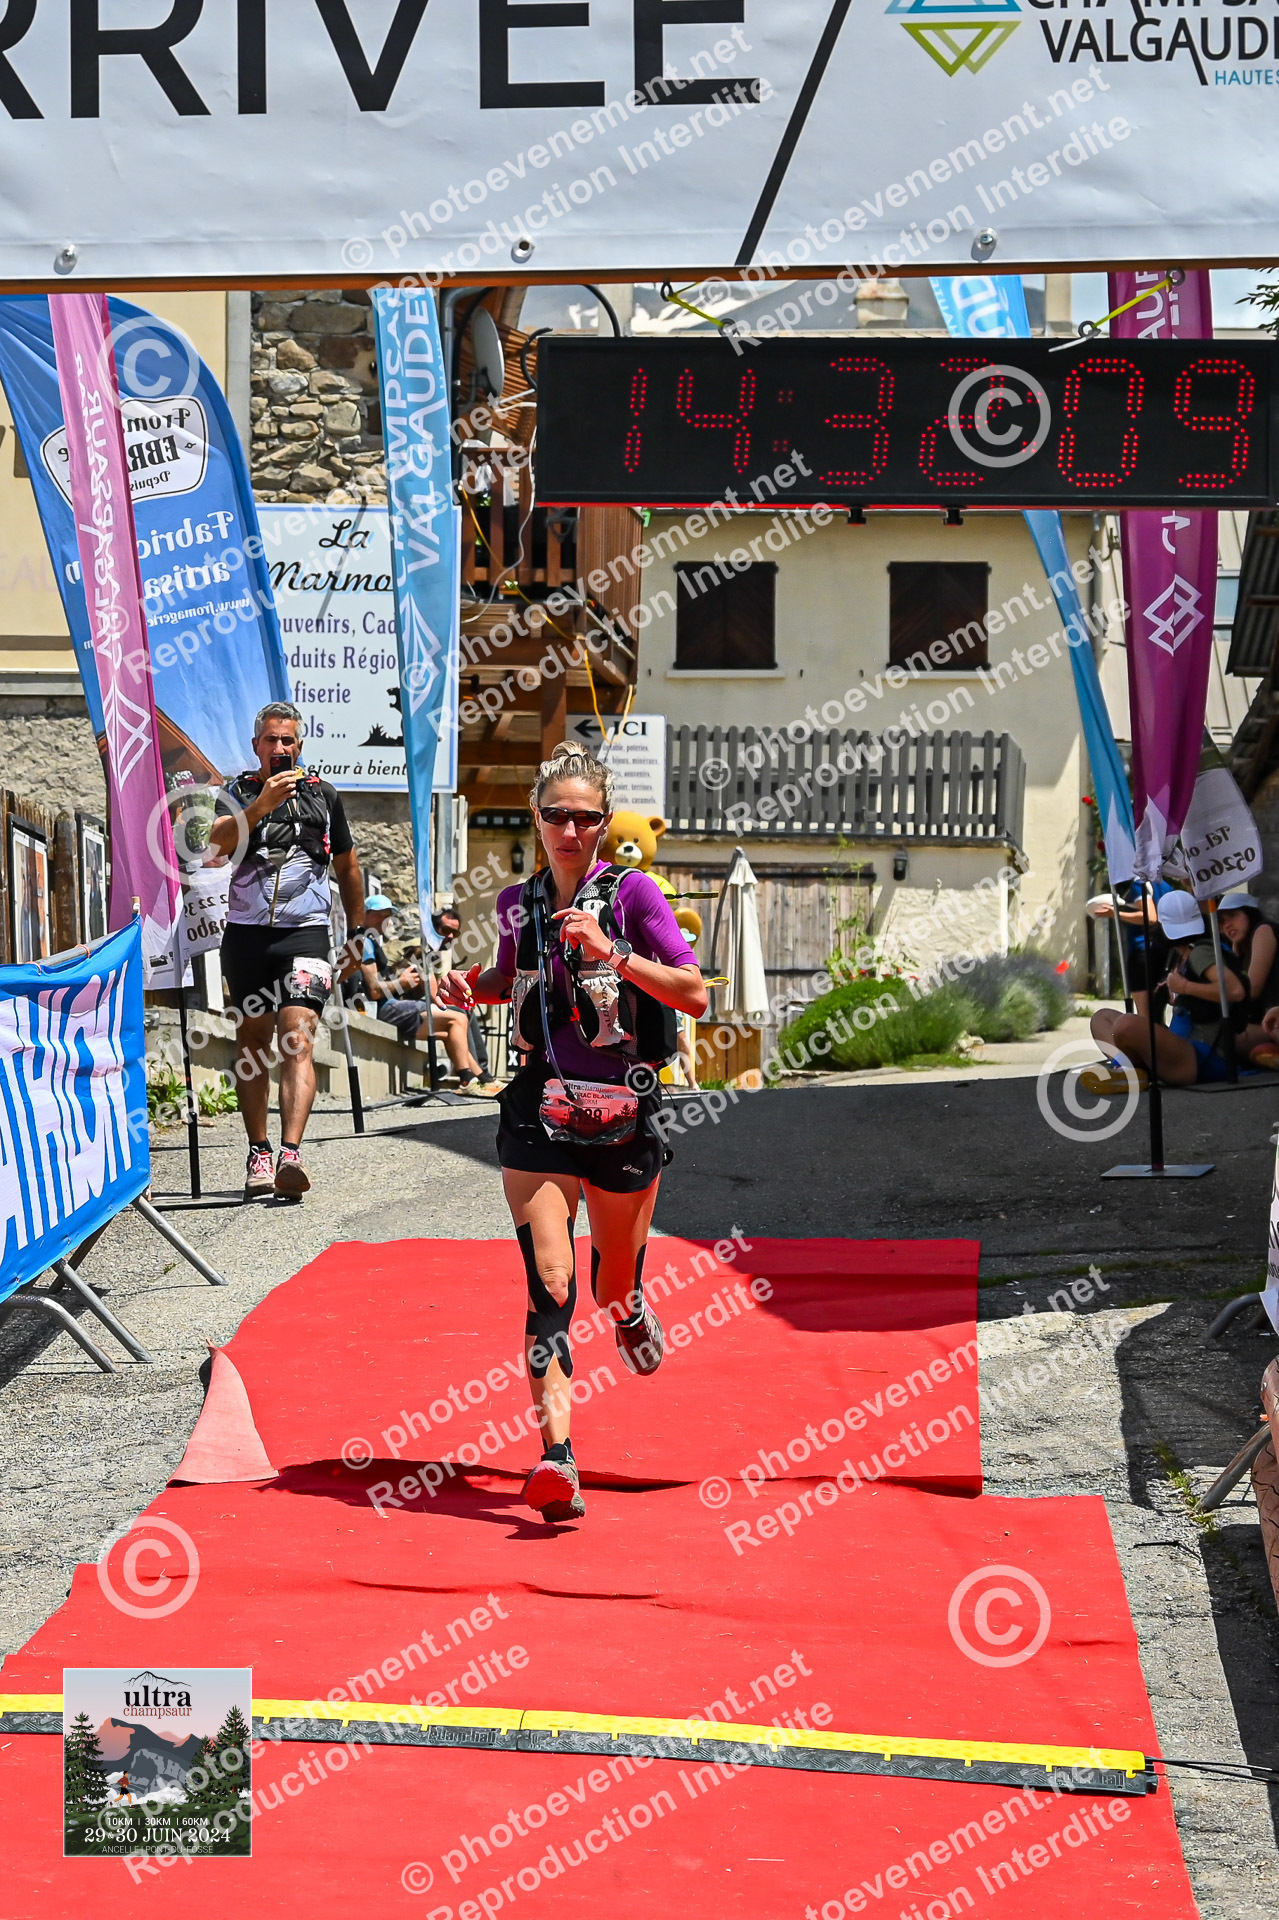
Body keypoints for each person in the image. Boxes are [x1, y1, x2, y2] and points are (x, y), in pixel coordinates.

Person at [438, 743, 708, 1525]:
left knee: (609, 1285)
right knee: (550, 1283)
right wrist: (471, 985)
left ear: (604, 822)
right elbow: (512, 976)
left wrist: (613, 952)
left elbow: (692, 994)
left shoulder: (634, 895)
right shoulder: (515, 903)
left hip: (622, 1108)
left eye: (586, 819)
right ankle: (556, 1457)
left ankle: (628, 1310)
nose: (570, 830)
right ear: (535, 817)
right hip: (538, 1109)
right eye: (556, 815)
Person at [211, 701, 365, 1200]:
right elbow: (214, 845)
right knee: (253, 1042)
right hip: (247, 936)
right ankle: (258, 1150)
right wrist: (260, 806)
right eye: (272, 740)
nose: (280, 747)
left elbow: (347, 867)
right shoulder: (235, 792)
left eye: (288, 740)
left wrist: (357, 933)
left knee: (297, 1036)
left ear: (300, 745)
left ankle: (291, 1153)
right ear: (256, 745)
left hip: (306, 934)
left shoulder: (324, 795)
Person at [1088, 890, 1246, 1087]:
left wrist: (1185, 987)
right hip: (1184, 1045)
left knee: (1126, 1024)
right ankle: (1130, 1070)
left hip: (1201, 1056)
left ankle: (1128, 1069)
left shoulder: (1200, 952)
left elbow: (1235, 991)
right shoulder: (1181, 953)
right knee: (1102, 1018)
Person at [358, 893, 498, 1095]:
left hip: (399, 1003)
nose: (384, 920)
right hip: (390, 1006)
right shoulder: (413, 948)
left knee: (454, 1025)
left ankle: (480, 1078)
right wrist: (402, 982)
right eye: (379, 915)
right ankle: (471, 1079)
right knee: (458, 1016)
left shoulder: (374, 942)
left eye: (387, 915)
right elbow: (375, 990)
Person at [1218, 892, 1279, 1069]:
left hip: (1275, 1017)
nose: (1227, 924)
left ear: (1249, 912)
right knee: (1225, 1035)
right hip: (1268, 1023)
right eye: (1221, 921)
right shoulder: (1243, 949)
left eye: (1233, 915)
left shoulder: (1263, 930)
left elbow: (1251, 990)